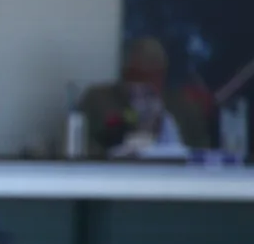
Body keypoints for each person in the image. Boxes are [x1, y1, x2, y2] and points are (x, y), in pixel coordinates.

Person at [80, 37, 211, 158]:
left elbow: (202, 153)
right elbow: (82, 147)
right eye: (136, 76)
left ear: (163, 76)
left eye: (153, 76)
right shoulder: (98, 101)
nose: (143, 84)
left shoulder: (183, 107)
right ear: (125, 73)